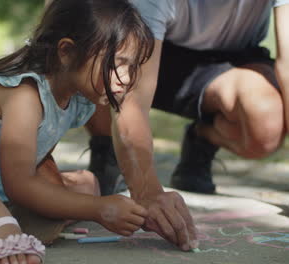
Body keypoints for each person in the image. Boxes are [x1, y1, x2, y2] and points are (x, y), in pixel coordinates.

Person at [0, 0, 198, 263]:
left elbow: (33, 159)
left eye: (132, 67)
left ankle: (7, 218)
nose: (126, 79)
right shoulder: (27, 95)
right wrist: (98, 210)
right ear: (67, 52)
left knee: (86, 185)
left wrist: (134, 212)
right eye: (117, 64)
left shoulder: (78, 101)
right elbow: (19, 183)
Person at [86, 0, 289, 195]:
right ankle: (107, 151)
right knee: (98, 49)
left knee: (265, 127)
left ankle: (202, 138)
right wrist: (147, 191)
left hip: (232, 60)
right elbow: (133, 101)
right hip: (156, 51)